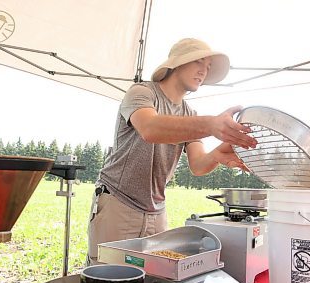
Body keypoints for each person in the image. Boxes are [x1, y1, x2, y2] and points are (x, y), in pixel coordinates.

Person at [86, 38, 258, 264]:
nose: (203, 71)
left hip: (157, 210)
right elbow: (150, 128)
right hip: (119, 202)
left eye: (208, 67)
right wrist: (211, 125)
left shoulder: (190, 114)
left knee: (154, 280)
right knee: (108, 280)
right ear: (177, 63)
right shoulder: (141, 92)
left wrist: (217, 154)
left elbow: (198, 165)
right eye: (199, 62)